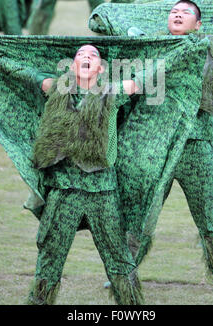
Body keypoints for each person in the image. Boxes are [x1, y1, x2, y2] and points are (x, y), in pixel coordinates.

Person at [114, 0, 213, 296]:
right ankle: (124, 271)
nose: (178, 14)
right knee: (141, 212)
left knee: (208, 215)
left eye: (185, 12)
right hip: (158, 144)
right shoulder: (152, 47)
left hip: (196, 146)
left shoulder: (207, 47)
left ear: (198, 24)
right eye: (173, 11)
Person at [27, 44, 143, 305]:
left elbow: (145, 78)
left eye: (93, 55)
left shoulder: (111, 93)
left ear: (101, 69)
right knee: (50, 254)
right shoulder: (55, 89)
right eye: (81, 54)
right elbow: (22, 72)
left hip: (102, 191)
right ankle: (39, 302)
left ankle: (132, 306)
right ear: (71, 66)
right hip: (64, 190)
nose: (87, 57)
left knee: (118, 255)